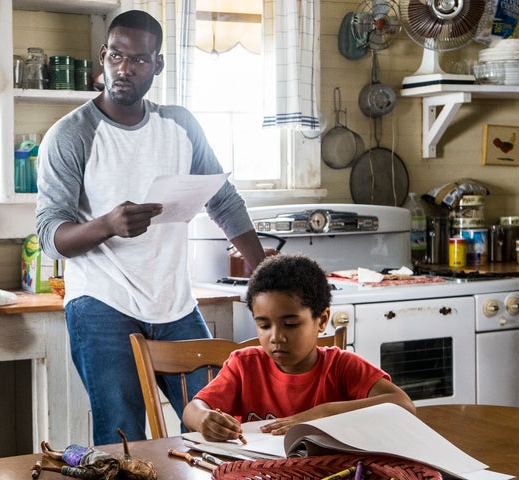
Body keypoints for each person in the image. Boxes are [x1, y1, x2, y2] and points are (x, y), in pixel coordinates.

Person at [34, 9, 265, 445]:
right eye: (117, 56)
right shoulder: (71, 135)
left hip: (174, 303)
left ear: (157, 65)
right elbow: (51, 236)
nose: (125, 68)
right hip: (101, 303)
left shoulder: (180, 126)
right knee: (123, 434)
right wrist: (107, 224)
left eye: (139, 60)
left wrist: (264, 272)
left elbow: (224, 199)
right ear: (103, 56)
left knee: (217, 422)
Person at [182, 254, 416, 442]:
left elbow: (404, 405)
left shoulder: (342, 366)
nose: (276, 337)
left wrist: (323, 414)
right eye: (263, 325)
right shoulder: (244, 365)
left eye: (291, 324)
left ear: (322, 320)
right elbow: (192, 410)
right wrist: (204, 418)